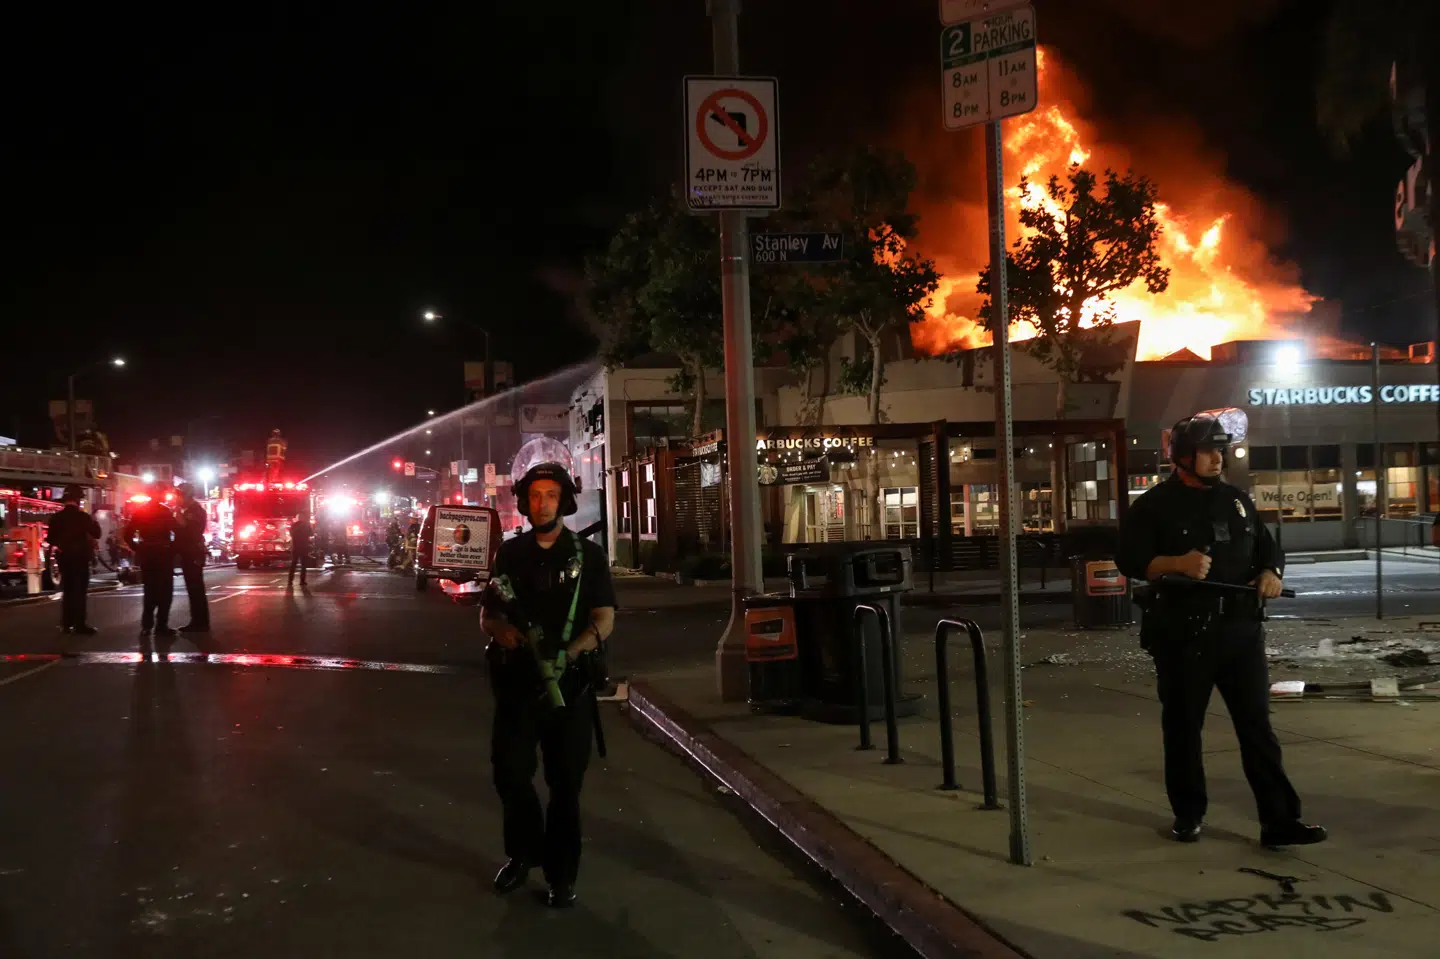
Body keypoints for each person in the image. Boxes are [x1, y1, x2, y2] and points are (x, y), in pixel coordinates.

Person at [1117, 411, 1327, 849]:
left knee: (1257, 729)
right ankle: (1189, 814)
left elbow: (1268, 548)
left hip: (1240, 632)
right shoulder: (1154, 505)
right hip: (1183, 635)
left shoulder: (1237, 501)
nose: (1218, 458)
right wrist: (1176, 564)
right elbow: (1131, 561)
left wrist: (1271, 572)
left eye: (1221, 451)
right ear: (1183, 456)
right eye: (1210, 451)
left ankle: (1279, 821)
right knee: (1183, 728)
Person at [481, 462, 616, 908]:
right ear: (524, 500)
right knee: (510, 774)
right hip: (517, 686)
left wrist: (571, 652)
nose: (541, 504)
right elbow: (489, 612)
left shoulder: (588, 556)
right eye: (534, 496)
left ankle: (561, 875)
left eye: (551, 495)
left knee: (565, 786)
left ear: (565, 501)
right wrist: (499, 631)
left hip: (569, 689)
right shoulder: (510, 554)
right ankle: (523, 854)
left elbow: (605, 618)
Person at [47, 485, 102, 635]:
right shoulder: (83, 517)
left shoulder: (56, 518)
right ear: (78, 500)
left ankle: (66, 624)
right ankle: (80, 624)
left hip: (65, 558)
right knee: (81, 591)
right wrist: (93, 520)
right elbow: (97, 533)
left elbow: (50, 538)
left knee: (68, 590)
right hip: (81, 558)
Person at [124, 488, 177, 638]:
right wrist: (172, 549)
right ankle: (162, 625)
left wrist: (139, 548)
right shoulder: (166, 511)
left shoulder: (140, 512)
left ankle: (146, 626)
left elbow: (128, 534)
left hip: (147, 554)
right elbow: (177, 531)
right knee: (165, 591)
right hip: (163, 554)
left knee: (149, 590)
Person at [173, 485, 210, 633]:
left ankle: (200, 622)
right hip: (187, 553)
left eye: (179, 496)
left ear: (186, 496)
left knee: (196, 588)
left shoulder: (195, 511)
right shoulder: (189, 511)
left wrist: (176, 513)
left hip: (193, 553)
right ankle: (197, 621)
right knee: (193, 589)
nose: (177, 499)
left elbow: (189, 529)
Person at [288, 513, 313, 588]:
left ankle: (290, 581)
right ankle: (301, 581)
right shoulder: (306, 525)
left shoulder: (294, 525)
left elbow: (292, 534)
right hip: (303, 547)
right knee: (303, 565)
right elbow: (311, 534)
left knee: (294, 564)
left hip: (296, 547)